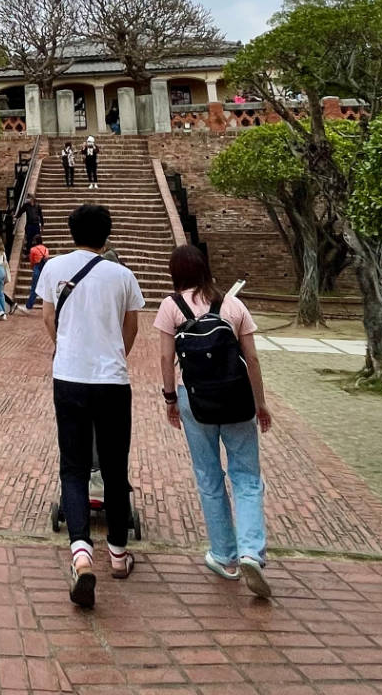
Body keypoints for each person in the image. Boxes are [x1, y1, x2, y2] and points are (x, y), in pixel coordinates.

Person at [35, 203, 144, 609]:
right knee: (115, 469)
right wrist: (114, 355)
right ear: (107, 234)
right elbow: (131, 327)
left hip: (69, 378)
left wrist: (67, 351)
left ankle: (81, 553)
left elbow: (48, 317)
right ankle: (117, 554)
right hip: (112, 381)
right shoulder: (123, 274)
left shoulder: (53, 268)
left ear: (71, 230)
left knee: (75, 466)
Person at [154, 242, 274, 599]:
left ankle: (225, 556)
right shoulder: (233, 305)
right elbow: (251, 359)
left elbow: (164, 358)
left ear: (176, 273)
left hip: (195, 398)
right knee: (247, 477)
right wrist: (261, 403)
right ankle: (253, 550)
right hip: (237, 398)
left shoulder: (170, 306)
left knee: (209, 476)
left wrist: (170, 398)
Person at [21, 239, 48, 313]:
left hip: (37, 267)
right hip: (45, 269)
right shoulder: (46, 249)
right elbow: (46, 259)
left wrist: (32, 267)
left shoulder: (33, 249)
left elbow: (32, 260)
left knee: (34, 288)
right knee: (46, 288)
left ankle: (28, 306)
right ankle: (47, 306)